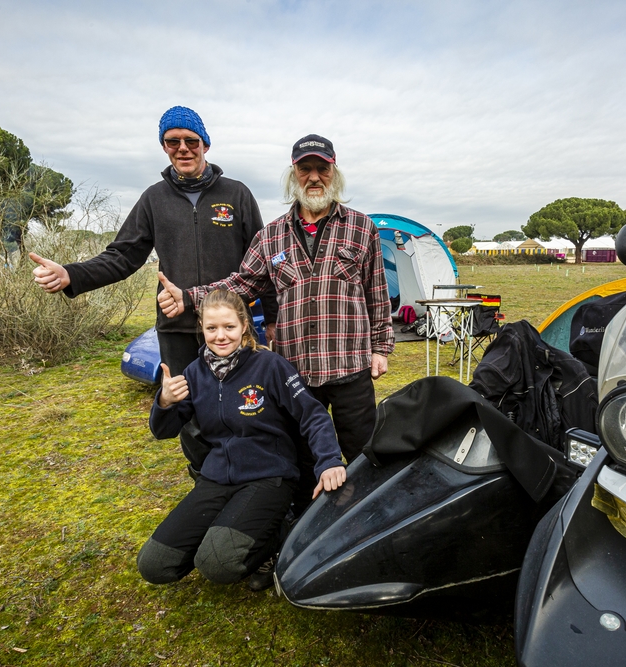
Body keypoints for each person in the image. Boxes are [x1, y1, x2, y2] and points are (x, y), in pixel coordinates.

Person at [28, 105, 276, 468]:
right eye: (172, 141)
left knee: (245, 401)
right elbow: (122, 256)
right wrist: (71, 274)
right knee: (190, 409)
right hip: (177, 328)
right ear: (163, 146)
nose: (183, 148)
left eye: (191, 140)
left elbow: (263, 262)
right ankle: (206, 477)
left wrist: (271, 318)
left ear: (206, 144)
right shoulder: (153, 199)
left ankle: (254, 474)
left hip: (230, 324)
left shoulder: (236, 195)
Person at [155, 134, 395, 463]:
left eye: (322, 169)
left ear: (334, 173)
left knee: (363, 455)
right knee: (301, 455)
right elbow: (241, 283)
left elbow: (376, 293)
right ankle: (308, 513)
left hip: (350, 367)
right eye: (305, 169)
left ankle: (365, 513)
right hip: (294, 373)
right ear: (293, 174)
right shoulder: (271, 235)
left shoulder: (361, 227)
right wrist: (189, 297)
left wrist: (381, 348)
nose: (313, 177)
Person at [137, 288, 346, 592]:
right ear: (202, 328)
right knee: (154, 564)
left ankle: (279, 537)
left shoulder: (269, 366)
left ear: (244, 326)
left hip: (268, 476)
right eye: (211, 328)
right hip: (217, 478)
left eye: (229, 327)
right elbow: (163, 430)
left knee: (218, 564)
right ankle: (220, 536)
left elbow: (312, 415)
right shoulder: (195, 373)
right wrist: (165, 401)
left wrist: (329, 461)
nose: (220, 336)